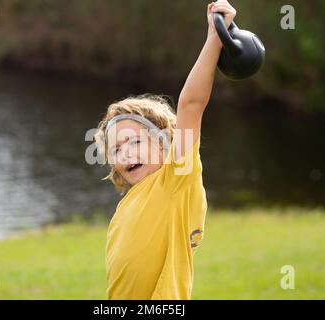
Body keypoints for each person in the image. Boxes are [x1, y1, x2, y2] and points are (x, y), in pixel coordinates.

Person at [94, 1, 237, 299]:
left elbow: (191, 104)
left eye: (136, 142)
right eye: (118, 149)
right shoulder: (128, 204)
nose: (127, 154)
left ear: (163, 144)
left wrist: (214, 36)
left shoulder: (175, 180)